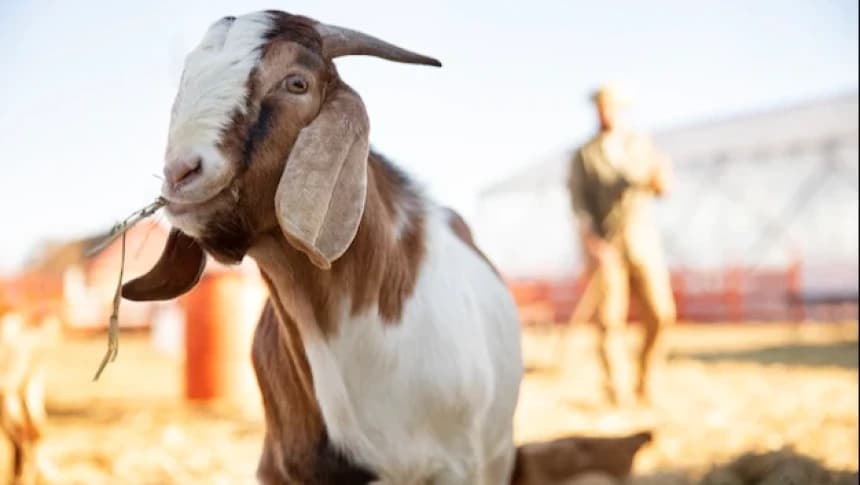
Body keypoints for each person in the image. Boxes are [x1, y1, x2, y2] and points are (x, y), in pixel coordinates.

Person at [567, 83, 676, 405]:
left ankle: (647, 378)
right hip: (606, 247)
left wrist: (661, 179)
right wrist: (593, 244)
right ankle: (617, 389)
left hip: (642, 241)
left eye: (611, 106)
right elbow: (579, 206)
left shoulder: (642, 145)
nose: (605, 112)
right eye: (601, 106)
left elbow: (662, 187)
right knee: (609, 321)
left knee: (661, 313)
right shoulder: (584, 155)